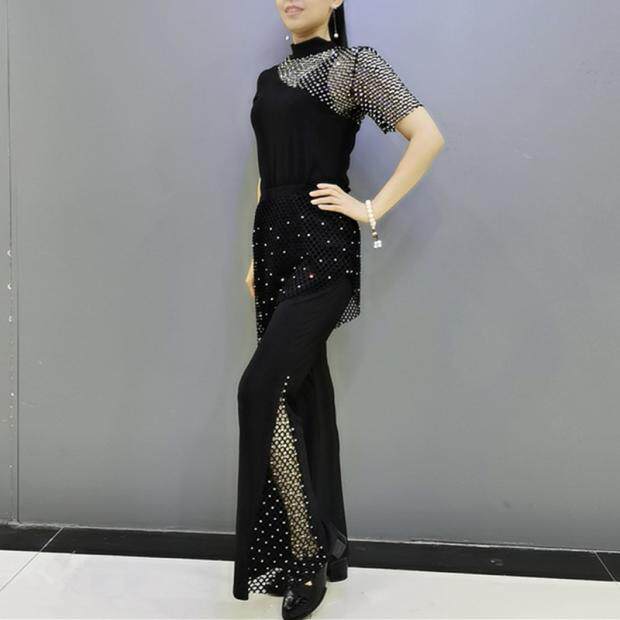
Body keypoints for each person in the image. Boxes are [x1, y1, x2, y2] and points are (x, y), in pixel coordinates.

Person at [234, 1, 445, 618]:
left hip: (322, 250)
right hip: (273, 247)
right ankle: (323, 546)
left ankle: (305, 555)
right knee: (301, 393)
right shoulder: (267, 80)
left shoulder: (353, 66)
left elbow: (428, 137)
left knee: (260, 390)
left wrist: (369, 208)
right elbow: (266, 171)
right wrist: (252, 253)